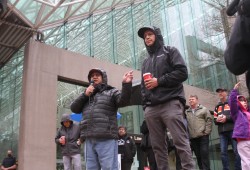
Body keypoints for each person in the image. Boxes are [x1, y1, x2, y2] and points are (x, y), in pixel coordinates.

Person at [138, 26, 194, 170]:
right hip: (152, 108)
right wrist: (146, 106)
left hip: (171, 103)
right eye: (145, 37)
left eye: (150, 34)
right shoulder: (145, 62)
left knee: (180, 142)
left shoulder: (170, 51)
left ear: (157, 35)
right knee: (157, 147)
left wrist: (159, 81)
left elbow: (182, 72)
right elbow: (143, 87)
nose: (147, 38)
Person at [70, 68, 133, 170]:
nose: (94, 77)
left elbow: (123, 101)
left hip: (106, 137)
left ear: (103, 78)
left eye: (97, 75)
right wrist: (85, 94)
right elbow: (74, 108)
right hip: (89, 138)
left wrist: (126, 85)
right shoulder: (87, 95)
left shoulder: (111, 91)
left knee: (109, 168)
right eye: (92, 76)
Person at [214, 87, 241, 170]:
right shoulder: (217, 106)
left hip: (233, 130)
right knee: (222, 153)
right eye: (219, 92)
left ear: (226, 93)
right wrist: (217, 120)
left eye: (222, 91)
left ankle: (238, 168)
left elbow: (236, 116)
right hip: (222, 132)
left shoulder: (231, 103)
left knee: (236, 151)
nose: (220, 93)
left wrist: (227, 118)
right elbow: (215, 120)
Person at [185, 95, 213, 170]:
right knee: (198, 157)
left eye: (192, 99)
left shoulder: (203, 109)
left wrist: (206, 132)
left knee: (204, 155)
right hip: (193, 138)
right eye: (189, 100)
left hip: (203, 137)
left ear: (197, 100)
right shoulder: (187, 112)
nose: (190, 101)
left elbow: (209, 120)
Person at [229, 82, 250, 170]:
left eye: (245, 101)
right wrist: (234, 91)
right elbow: (232, 102)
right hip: (243, 140)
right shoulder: (236, 113)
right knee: (246, 161)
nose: (244, 102)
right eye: (241, 101)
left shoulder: (248, 112)